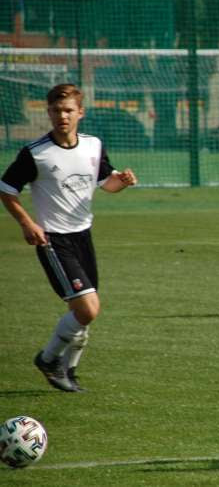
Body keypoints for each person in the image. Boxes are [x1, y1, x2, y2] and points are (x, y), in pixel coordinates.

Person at [0, 83, 137, 392]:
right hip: (53, 240)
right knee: (87, 309)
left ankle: (69, 372)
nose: (62, 116)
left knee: (86, 311)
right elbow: (6, 189)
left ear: (80, 113)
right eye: (56, 111)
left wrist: (123, 181)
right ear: (48, 113)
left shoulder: (93, 145)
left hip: (83, 237)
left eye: (68, 111)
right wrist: (27, 224)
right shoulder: (36, 154)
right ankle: (49, 359)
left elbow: (107, 184)